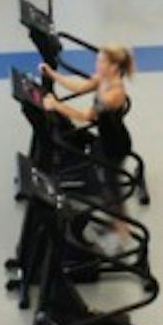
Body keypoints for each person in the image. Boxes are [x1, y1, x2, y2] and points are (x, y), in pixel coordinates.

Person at [39, 45, 136, 254]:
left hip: (115, 146)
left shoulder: (114, 94)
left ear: (114, 67)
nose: (97, 64)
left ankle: (123, 235)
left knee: (111, 190)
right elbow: (80, 87)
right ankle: (117, 227)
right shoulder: (103, 79)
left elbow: (86, 116)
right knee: (103, 185)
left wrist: (55, 105)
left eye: (101, 61)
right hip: (105, 140)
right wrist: (53, 75)